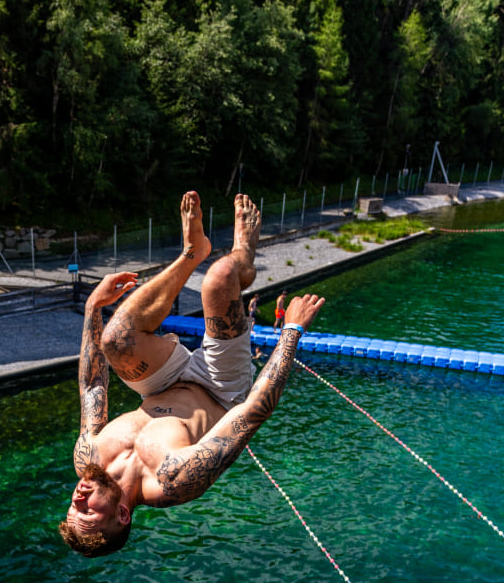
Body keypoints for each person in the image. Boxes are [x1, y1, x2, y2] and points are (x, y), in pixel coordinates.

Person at [59, 191, 324, 556]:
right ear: (122, 513)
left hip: (161, 381)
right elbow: (252, 413)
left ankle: (191, 252)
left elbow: (92, 387)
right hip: (220, 388)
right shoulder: (174, 481)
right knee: (222, 276)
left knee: (115, 340)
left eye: (73, 507)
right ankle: (244, 252)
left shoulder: (88, 458)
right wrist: (291, 332)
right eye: (87, 511)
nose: (78, 499)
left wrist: (93, 307)